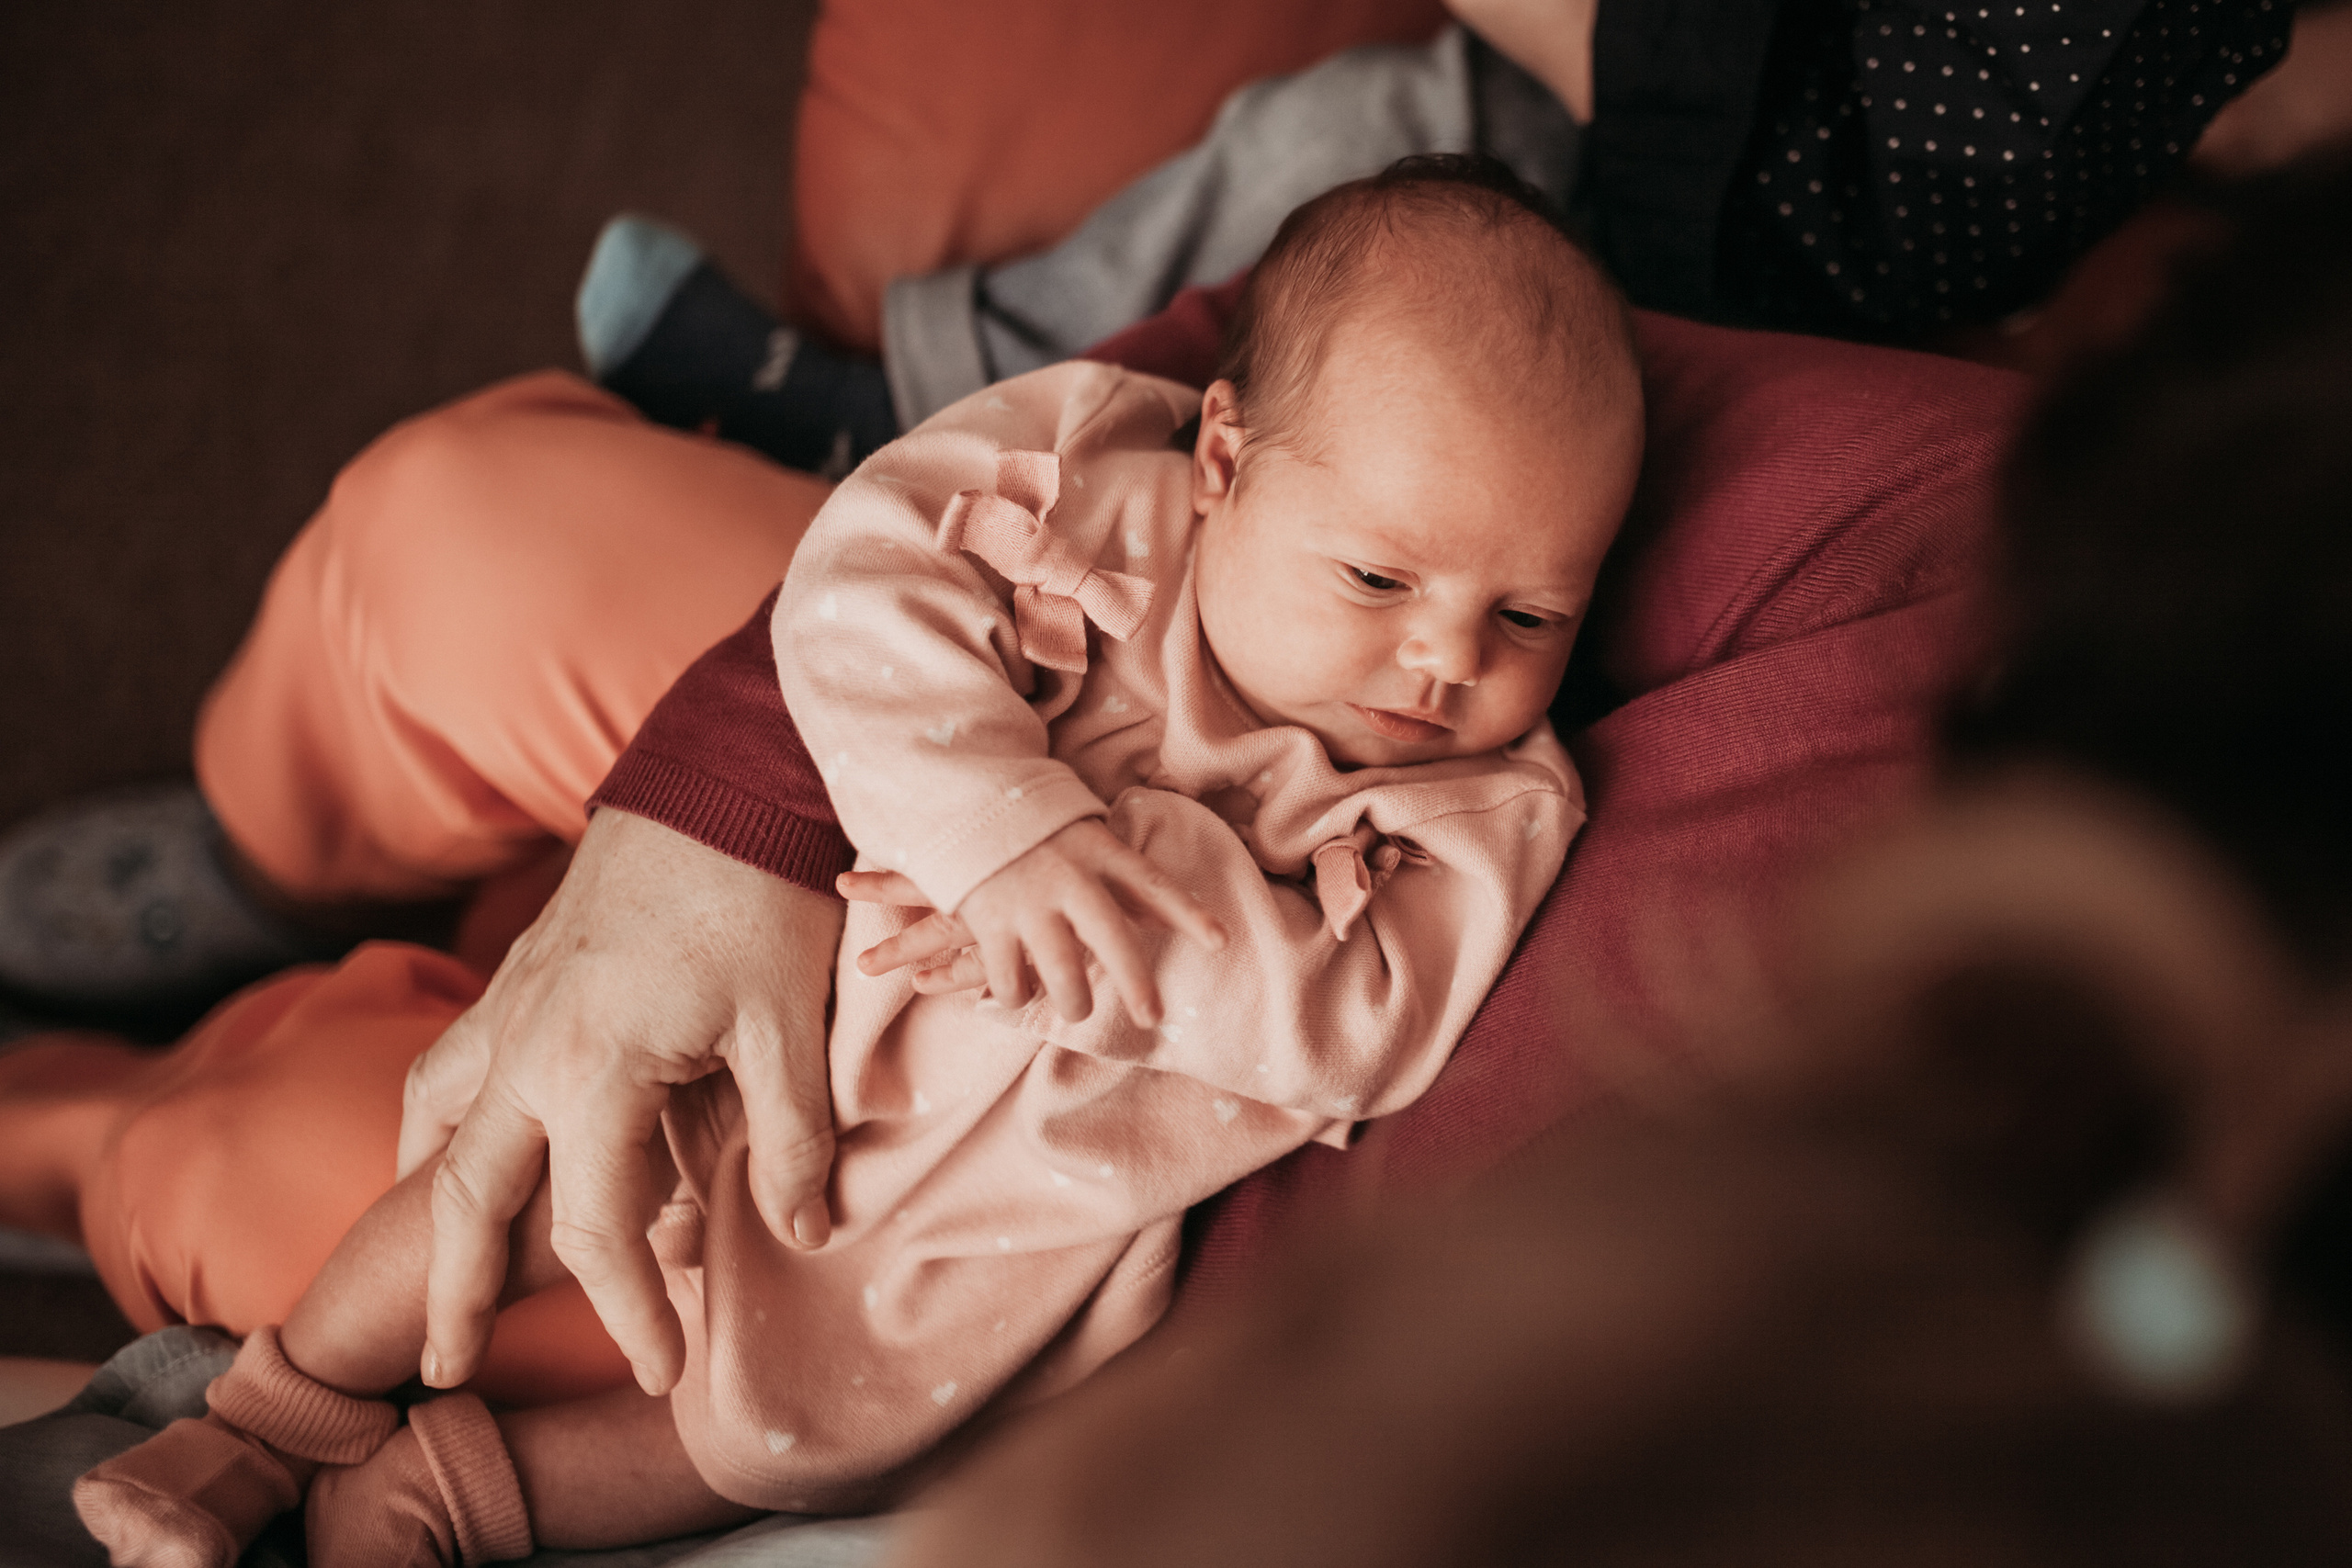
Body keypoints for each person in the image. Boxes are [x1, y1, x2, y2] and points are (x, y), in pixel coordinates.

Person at [66, 159, 1644, 1565]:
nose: (1442, 660)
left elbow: (1359, 1033)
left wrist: (1125, 897)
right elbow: (868, 585)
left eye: (1530, 618)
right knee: (521, 1167)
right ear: (1227, 462)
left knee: (767, 1446)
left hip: (1003, 1233)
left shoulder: (1486, 803)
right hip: (793, 1020)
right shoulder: (1109, 484)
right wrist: (997, 829)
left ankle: (438, 1506)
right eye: (1379, 574)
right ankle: (269, 1424)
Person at [584, 0, 2320, 470]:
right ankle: (923, 389)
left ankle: (927, 426)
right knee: (1321, 137)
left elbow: (1876, 215)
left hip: (1750, 222)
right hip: (1724, 89)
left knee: (1376, 254)